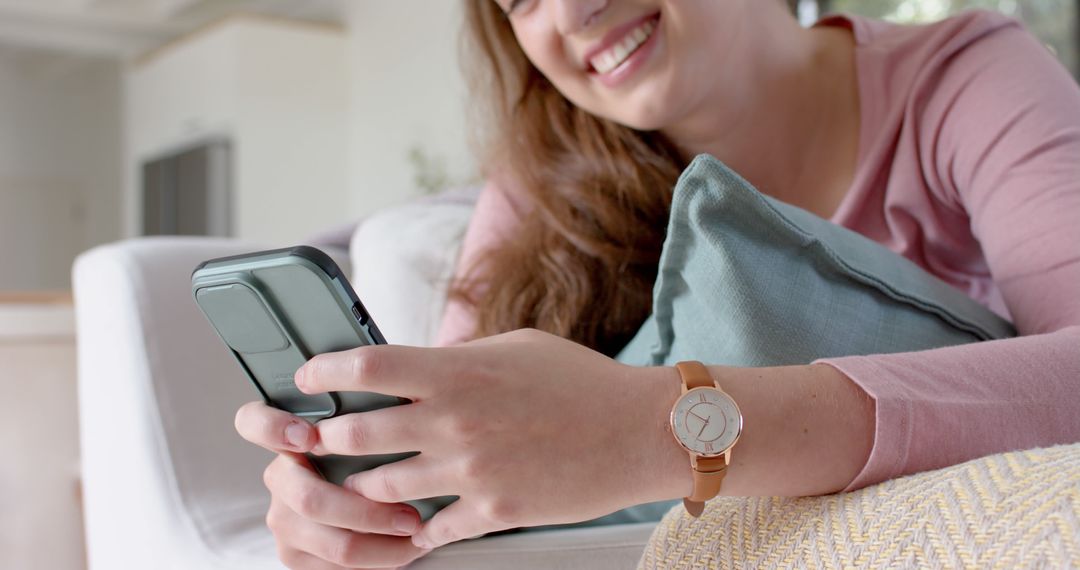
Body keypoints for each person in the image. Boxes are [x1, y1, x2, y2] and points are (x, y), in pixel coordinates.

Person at [235, 0, 1080, 568]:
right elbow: (456, 452)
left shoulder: (962, 78)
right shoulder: (542, 181)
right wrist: (361, 508)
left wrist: (663, 430)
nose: (571, 15)